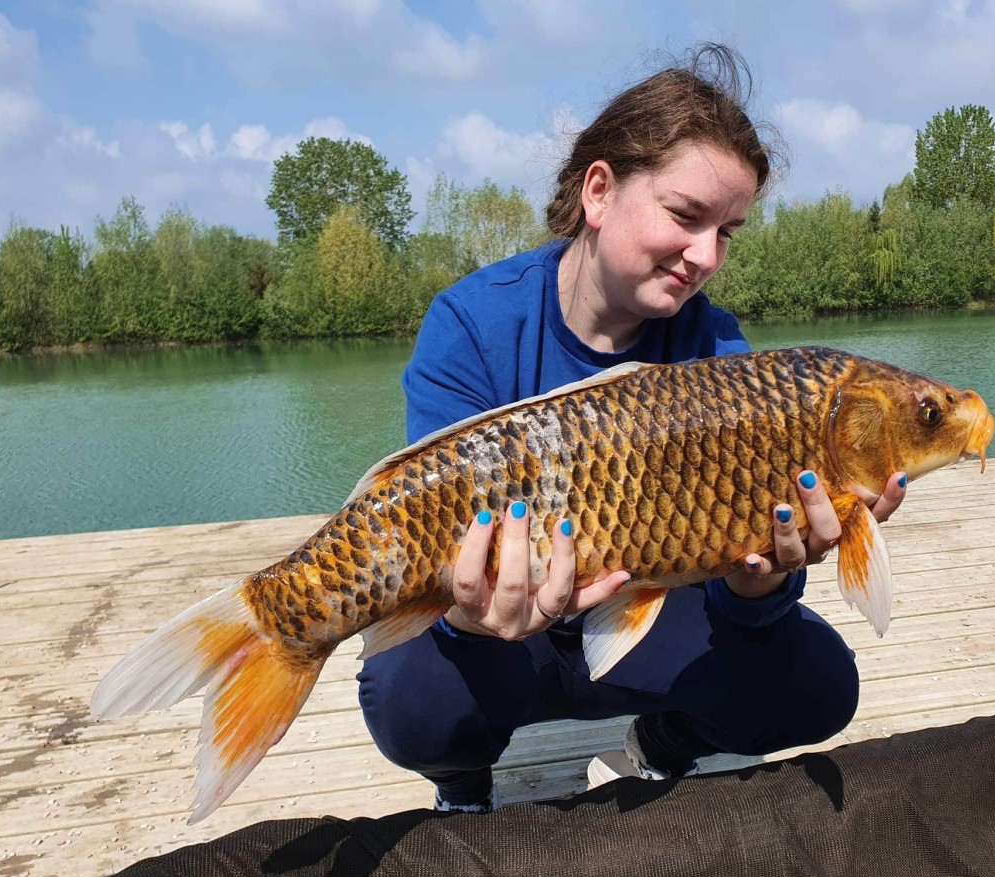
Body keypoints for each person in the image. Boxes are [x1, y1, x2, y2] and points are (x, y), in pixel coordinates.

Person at [357, 44, 906, 813]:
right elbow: (430, 532)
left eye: (729, 232)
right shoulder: (473, 323)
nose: (706, 255)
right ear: (600, 190)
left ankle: (666, 741)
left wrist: (762, 582)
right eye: (686, 216)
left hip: (647, 622)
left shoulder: (719, 351)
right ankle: (462, 777)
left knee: (819, 685)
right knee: (408, 697)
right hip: (507, 634)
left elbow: (749, 588)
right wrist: (473, 618)